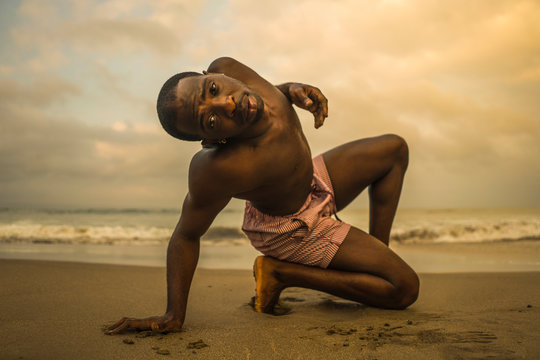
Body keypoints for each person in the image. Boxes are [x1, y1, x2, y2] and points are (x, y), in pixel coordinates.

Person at [107, 57, 419, 334]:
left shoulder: (230, 68)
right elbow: (186, 235)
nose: (227, 105)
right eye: (211, 121)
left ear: (211, 73)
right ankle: (281, 273)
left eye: (212, 90)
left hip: (311, 181)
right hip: (290, 228)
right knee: (404, 289)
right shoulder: (219, 169)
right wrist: (173, 314)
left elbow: (272, 93)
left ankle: (379, 255)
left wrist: (291, 89)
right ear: (211, 140)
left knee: (394, 150)